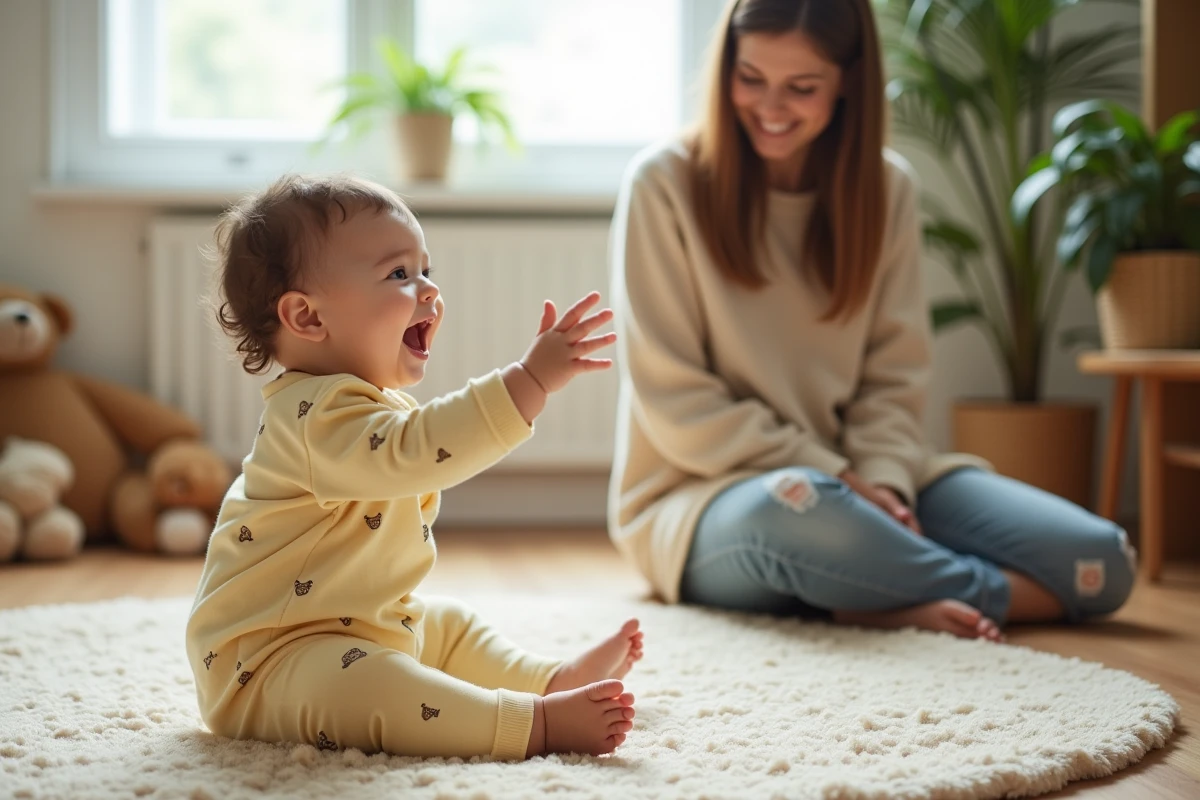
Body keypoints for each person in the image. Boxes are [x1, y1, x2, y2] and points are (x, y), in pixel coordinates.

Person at [607, 0, 1136, 640]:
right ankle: (941, 595)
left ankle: (863, 591)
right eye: (750, 78)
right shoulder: (662, 184)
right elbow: (676, 401)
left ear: (849, 83)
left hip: (865, 480)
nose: (771, 107)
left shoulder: (888, 191)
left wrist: (881, 486)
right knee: (802, 508)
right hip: (707, 499)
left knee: (1101, 564)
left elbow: (893, 377)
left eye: (802, 88)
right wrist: (840, 480)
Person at [186, 174, 642, 760]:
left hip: (359, 629)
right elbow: (418, 449)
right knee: (381, 684)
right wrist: (528, 381)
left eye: (426, 270)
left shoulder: (362, 406)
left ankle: (550, 678)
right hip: (268, 665)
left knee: (446, 626)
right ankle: (535, 724)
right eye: (399, 274)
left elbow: (410, 444)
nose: (428, 291)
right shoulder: (312, 418)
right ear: (307, 316)